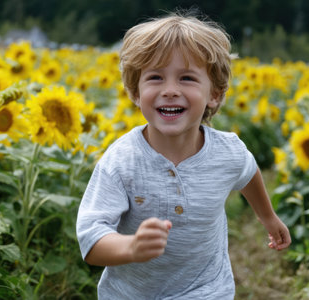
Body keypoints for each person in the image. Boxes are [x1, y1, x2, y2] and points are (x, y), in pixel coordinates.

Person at [76, 11, 291, 299]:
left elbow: (248, 172)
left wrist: (268, 217)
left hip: (205, 289)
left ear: (214, 93)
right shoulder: (121, 161)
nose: (170, 91)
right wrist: (131, 247)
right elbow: (91, 240)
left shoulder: (227, 151)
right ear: (136, 92)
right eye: (155, 77)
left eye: (187, 78)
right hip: (131, 292)